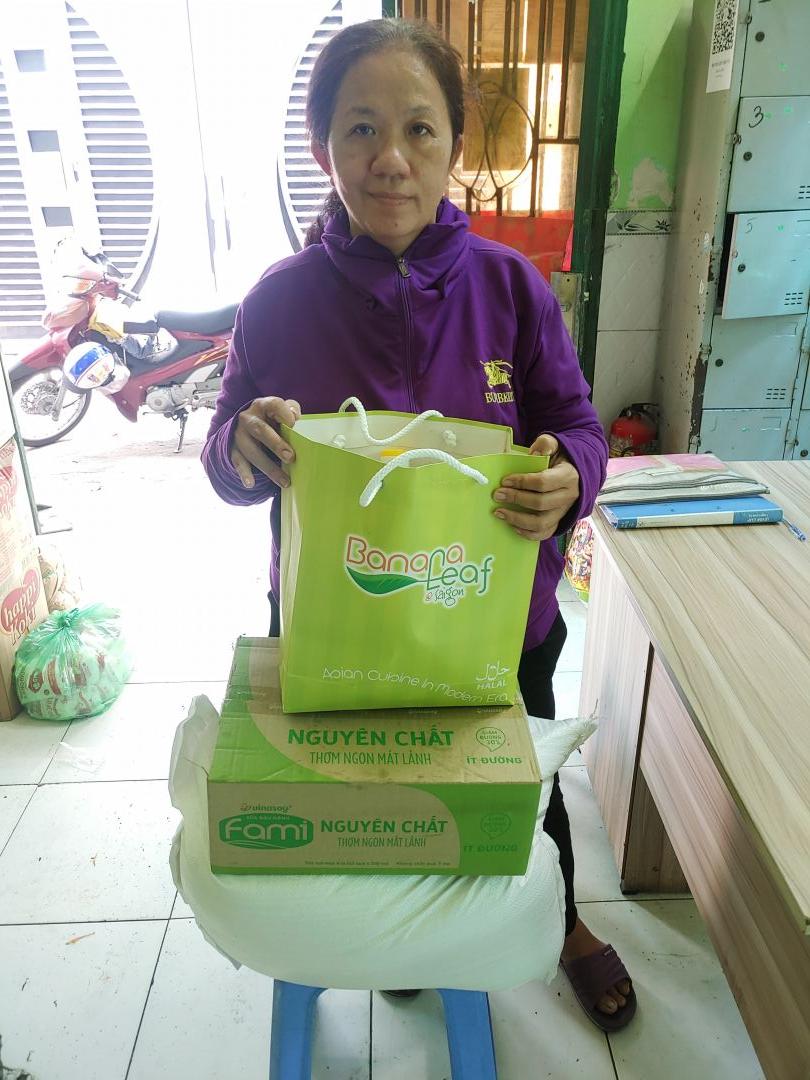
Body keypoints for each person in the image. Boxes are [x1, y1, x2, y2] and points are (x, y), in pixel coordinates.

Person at [203, 17, 635, 1032]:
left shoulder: (510, 289)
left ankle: (566, 920)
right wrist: (240, 446)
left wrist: (570, 477)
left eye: (418, 128)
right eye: (360, 128)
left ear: (455, 146)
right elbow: (226, 458)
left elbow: (579, 425)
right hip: (337, 623)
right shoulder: (278, 304)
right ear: (323, 148)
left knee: (525, 784)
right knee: (372, 790)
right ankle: (403, 925)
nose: (390, 158)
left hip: (496, 622)